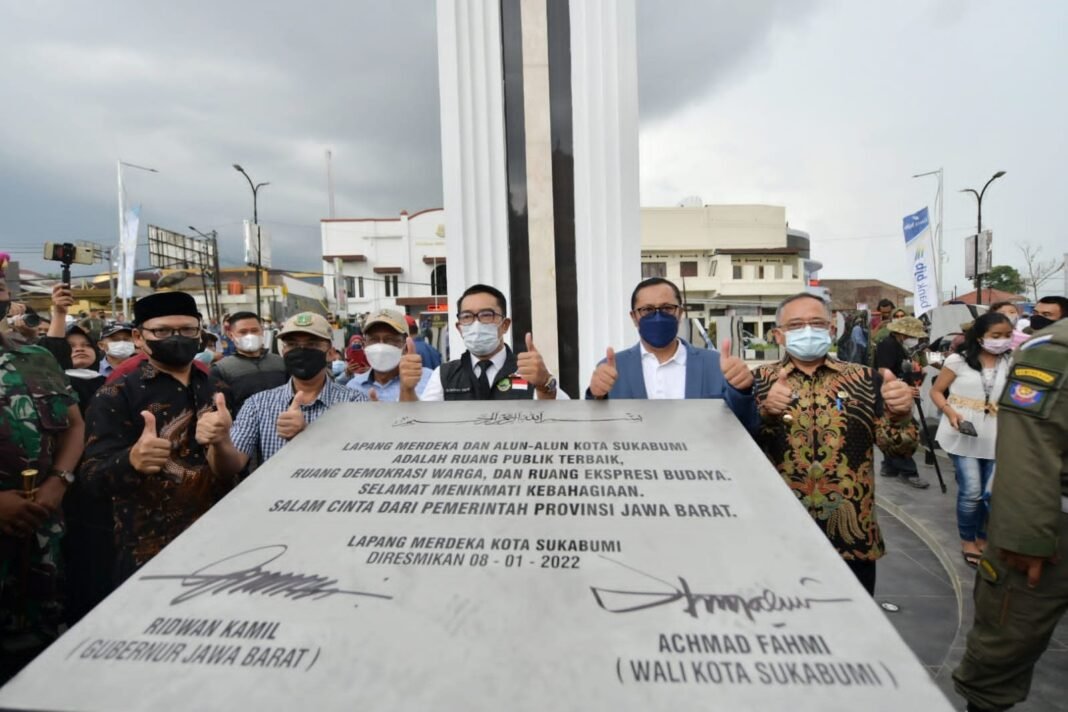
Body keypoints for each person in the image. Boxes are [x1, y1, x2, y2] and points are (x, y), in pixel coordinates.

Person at [752, 293, 918, 595]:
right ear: (778, 334)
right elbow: (743, 452)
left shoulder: (866, 380)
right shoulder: (757, 382)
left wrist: (901, 416)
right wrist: (766, 413)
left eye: (816, 323)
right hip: (778, 535)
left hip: (851, 537)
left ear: (831, 330)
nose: (807, 330)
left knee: (854, 633)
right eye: (795, 324)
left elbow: (899, 449)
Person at [80, 291, 237, 583]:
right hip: (148, 550)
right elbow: (91, 478)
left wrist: (222, 441)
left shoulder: (217, 388)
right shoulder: (117, 394)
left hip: (219, 541)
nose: (177, 338)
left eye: (188, 329)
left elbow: (230, 471)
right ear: (139, 338)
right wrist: (131, 460)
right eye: (162, 331)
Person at [952, 318, 1068, 712]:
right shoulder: (1054, 351)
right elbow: (1033, 446)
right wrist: (1025, 537)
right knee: (1007, 640)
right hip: (1049, 525)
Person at [0, 273, 84, 679]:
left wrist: (59, 482)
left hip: (41, 547)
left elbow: (73, 425)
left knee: (42, 668)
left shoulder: (36, 358)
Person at [585, 277, 759, 433]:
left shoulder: (716, 365)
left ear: (680, 313)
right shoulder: (612, 369)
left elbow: (747, 428)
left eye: (667, 308)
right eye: (647, 310)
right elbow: (595, 430)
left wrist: (741, 390)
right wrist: (596, 396)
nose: (658, 316)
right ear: (634, 317)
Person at [198, 312, 366, 472]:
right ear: (283, 351)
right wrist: (220, 442)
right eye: (292, 344)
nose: (301, 350)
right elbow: (231, 466)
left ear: (330, 353)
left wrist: (307, 436)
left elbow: (363, 463)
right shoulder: (258, 404)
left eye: (312, 344)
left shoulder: (355, 403)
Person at [929, 312, 1014, 568]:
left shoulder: (1013, 362)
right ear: (979, 337)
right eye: (995, 336)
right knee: (972, 490)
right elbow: (936, 391)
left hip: (999, 436)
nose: (1001, 341)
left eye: (1007, 336)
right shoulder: (958, 360)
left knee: (991, 493)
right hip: (963, 434)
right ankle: (967, 540)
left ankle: (983, 536)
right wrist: (951, 412)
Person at [415, 284, 568, 401]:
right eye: (467, 316)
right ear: (459, 328)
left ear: (505, 325)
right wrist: (408, 390)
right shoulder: (444, 375)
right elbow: (423, 426)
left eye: (486, 315)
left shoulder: (529, 370)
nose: (477, 324)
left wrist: (545, 385)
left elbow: (561, 419)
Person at [873, 315, 930, 489]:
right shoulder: (888, 345)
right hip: (891, 394)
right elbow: (884, 370)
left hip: (895, 392)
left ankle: (889, 466)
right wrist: (900, 388)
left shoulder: (898, 345)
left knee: (888, 432)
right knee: (902, 434)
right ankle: (908, 471)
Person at [209, 311, 287, 416]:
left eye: (254, 331)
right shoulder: (221, 369)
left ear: (262, 332)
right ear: (231, 335)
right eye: (243, 332)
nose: (250, 336)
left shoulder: (280, 363)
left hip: (282, 425)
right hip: (242, 429)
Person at [347, 309, 432, 401]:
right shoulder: (352, 388)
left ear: (405, 347)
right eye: (374, 339)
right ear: (364, 346)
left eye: (390, 339)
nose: (381, 347)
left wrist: (408, 393)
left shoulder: (429, 381)